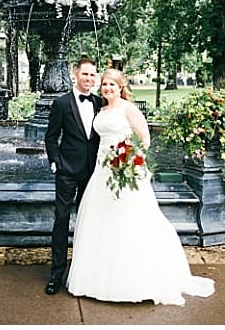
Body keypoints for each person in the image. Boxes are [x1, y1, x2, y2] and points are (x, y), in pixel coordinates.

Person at [66, 68, 215, 304]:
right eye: (104, 85)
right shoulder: (101, 109)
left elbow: (144, 139)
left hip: (126, 172)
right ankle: (99, 277)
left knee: (129, 221)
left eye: (112, 85)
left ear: (120, 87)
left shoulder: (128, 108)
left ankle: (134, 280)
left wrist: (128, 160)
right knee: (101, 221)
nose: (107, 89)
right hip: (102, 172)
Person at [44, 56, 102, 295]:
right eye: (84, 74)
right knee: (62, 219)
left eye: (92, 75)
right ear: (75, 74)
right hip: (67, 171)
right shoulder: (62, 104)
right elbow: (51, 137)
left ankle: (84, 271)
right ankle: (56, 273)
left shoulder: (100, 103)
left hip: (93, 173)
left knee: (90, 222)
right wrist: (56, 161)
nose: (88, 78)